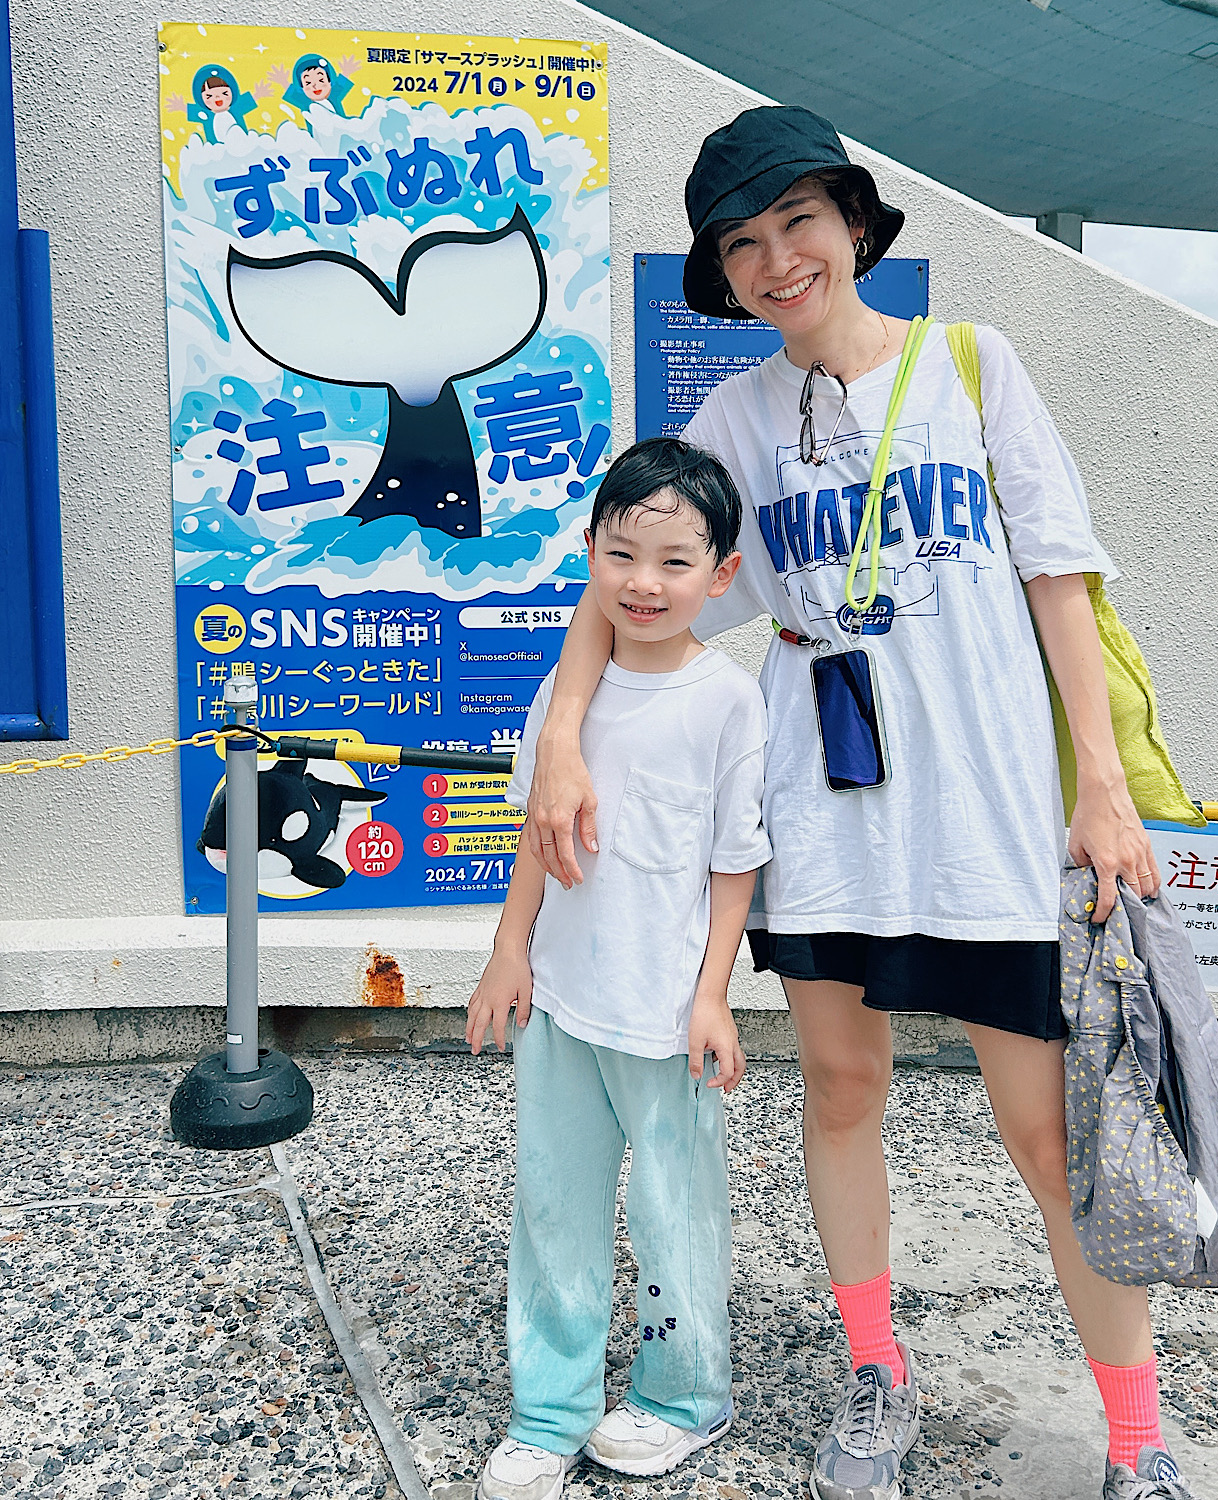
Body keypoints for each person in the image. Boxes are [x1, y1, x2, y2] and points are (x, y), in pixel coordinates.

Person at [523, 106, 1199, 1500]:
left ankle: (1140, 1439)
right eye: (745, 242)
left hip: (992, 821)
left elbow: (1059, 581)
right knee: (842, 1088)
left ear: (855, 226)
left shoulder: (972, 365)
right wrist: (568, 741)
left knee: (1044, 1131)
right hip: (824, 822)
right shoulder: (733, 420)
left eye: (798, 223)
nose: (779, 259)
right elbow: (620, 573)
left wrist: (1105, 789)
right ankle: (875, 1373)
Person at [465, 438, 772, 1500]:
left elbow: (736, 865)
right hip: (563, 999)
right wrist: (510, 950)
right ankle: (549, 1408)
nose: (646, 583)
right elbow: (535, 837)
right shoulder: (569, 694)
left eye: (676, 561)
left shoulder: (728, 703)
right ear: (590, 553)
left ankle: (683, 1395)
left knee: (675, 1211)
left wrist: (712, 995)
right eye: (623, 554)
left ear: (722, 575)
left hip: (666, 1013)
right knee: (553, 1202)